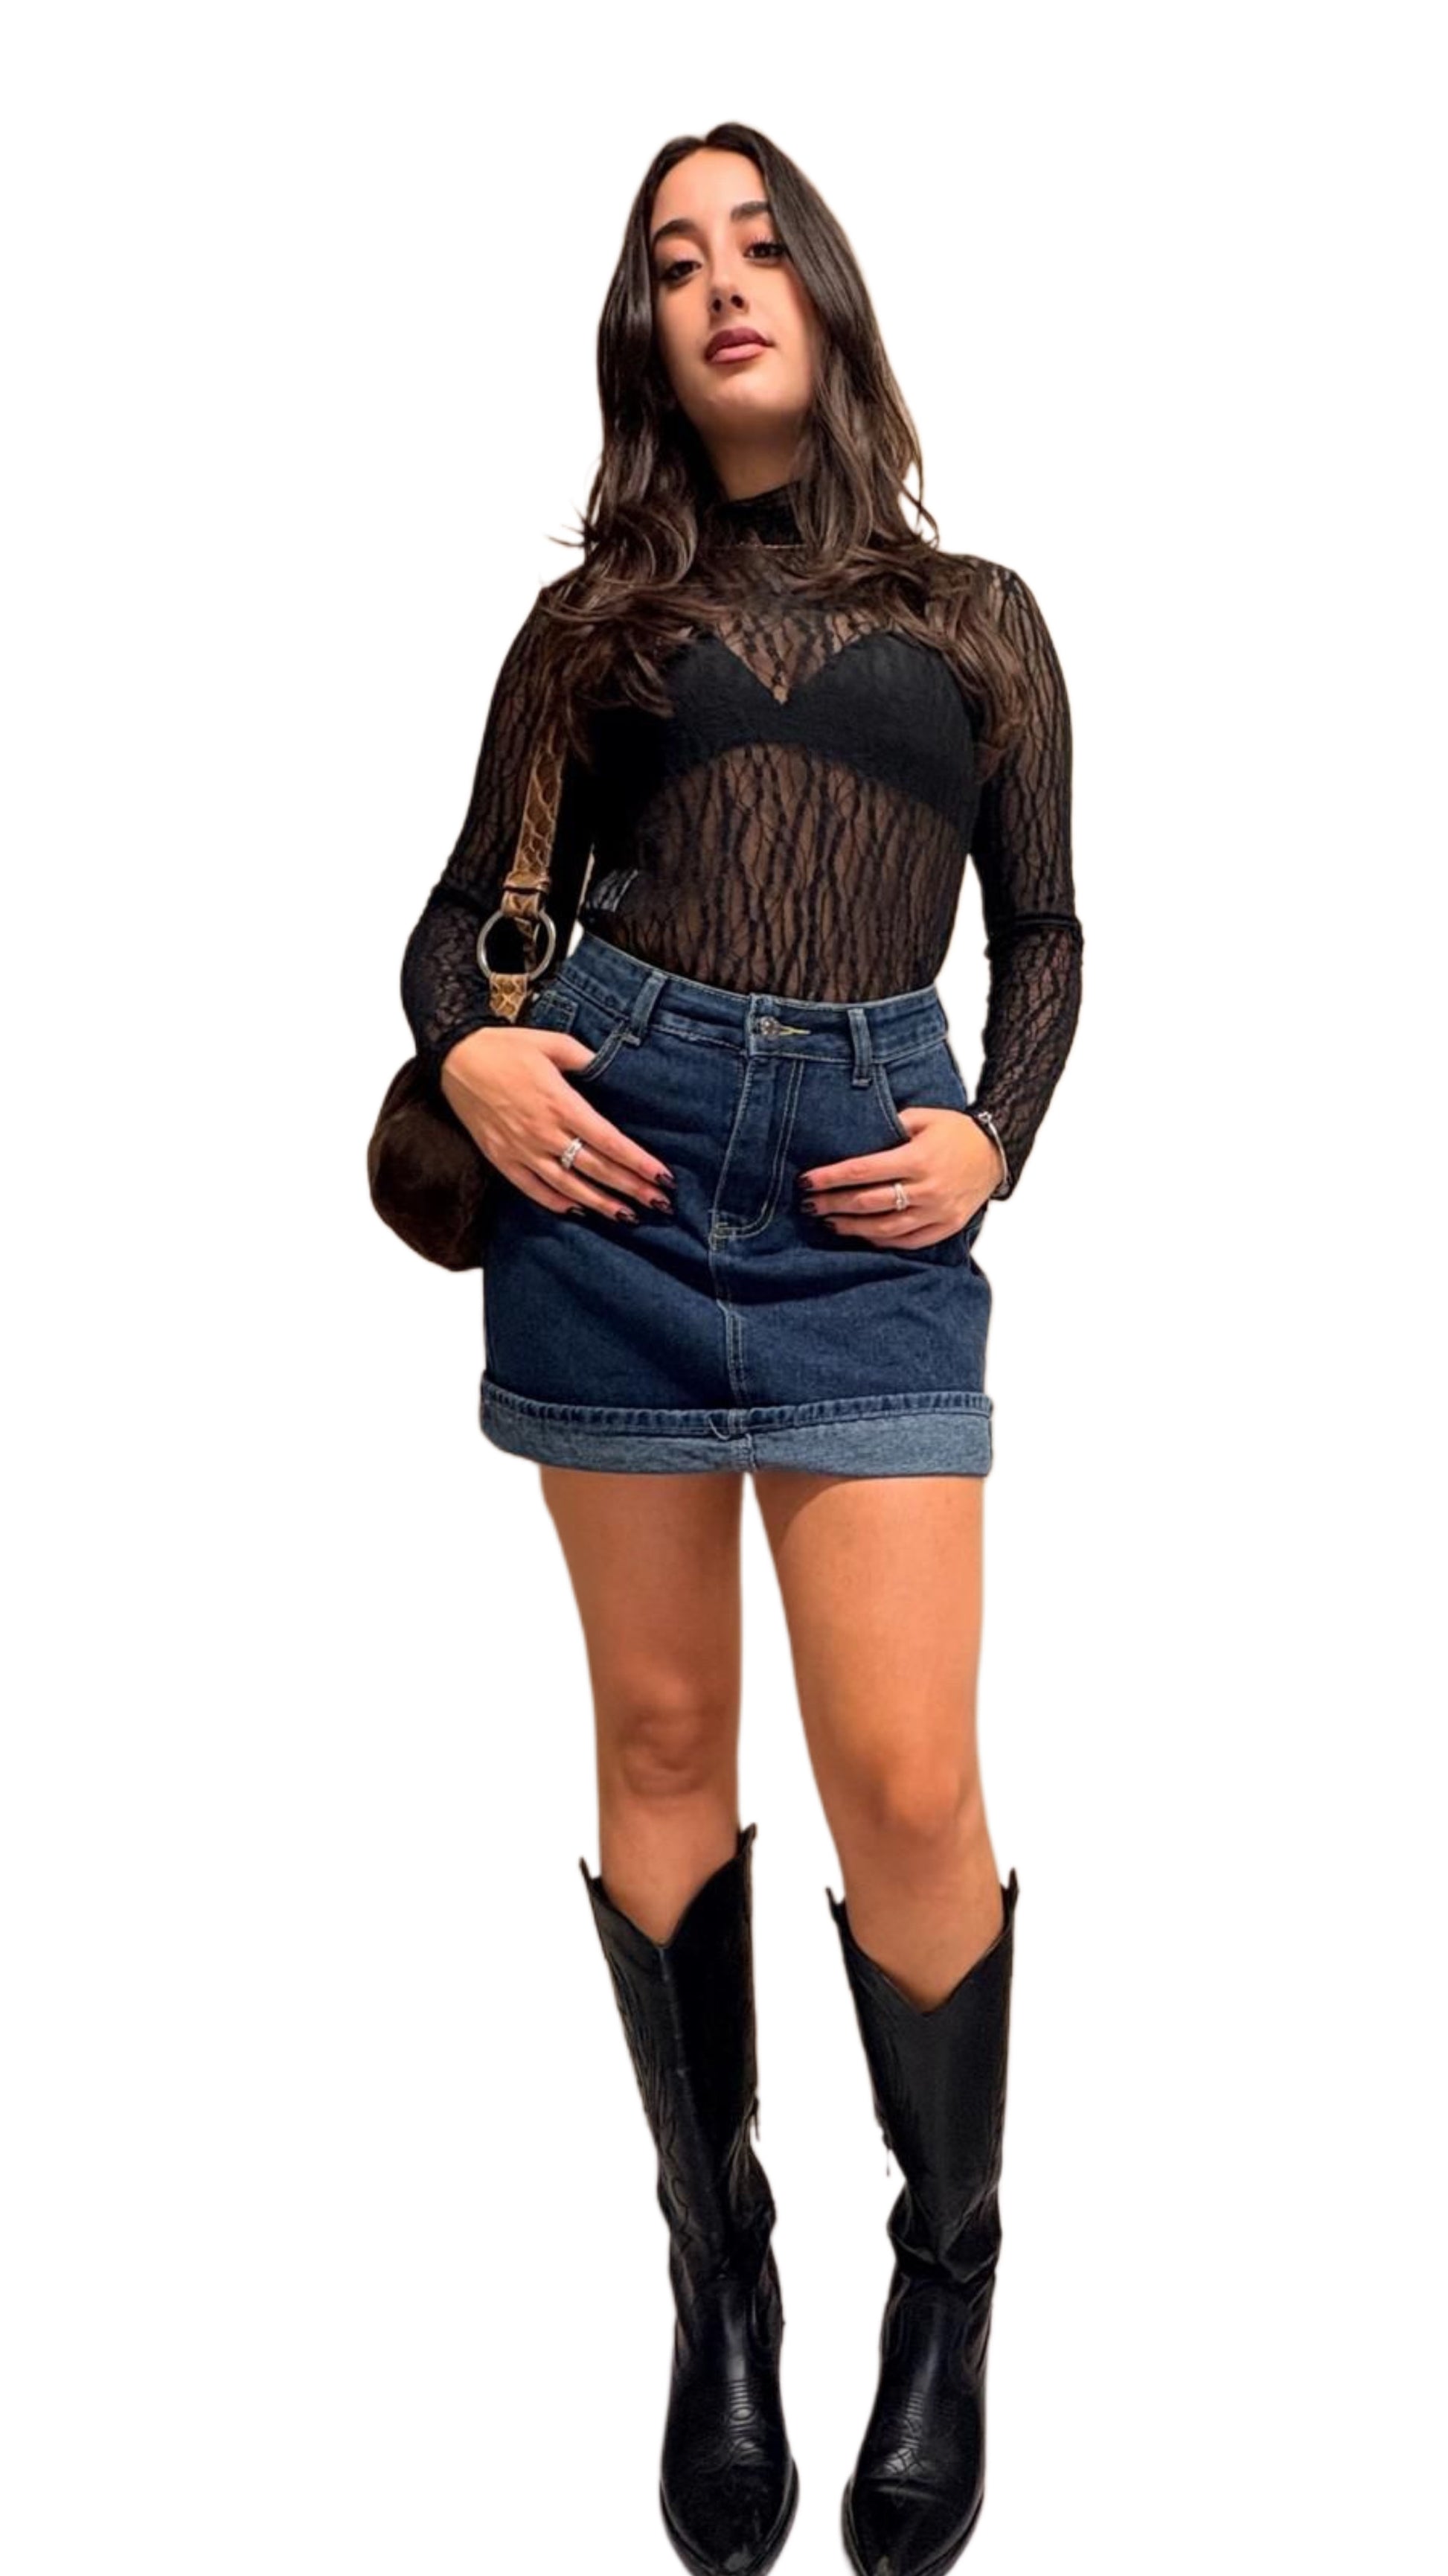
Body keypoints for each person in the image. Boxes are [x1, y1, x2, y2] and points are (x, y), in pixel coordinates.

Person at [398, 121, 1083, 2576]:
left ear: (827, 290)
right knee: (665, 1738)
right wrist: (476, 1054)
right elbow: (456, 922)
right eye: (673, 259)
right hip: (617, 1158)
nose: (720, 281)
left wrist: (992, 1137)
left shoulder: (977, 619)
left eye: (758, 241)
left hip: (862, 1193)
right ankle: (720, 2280)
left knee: (906, 1774)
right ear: (646, 335)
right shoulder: (586, 627)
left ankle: (947, 2277)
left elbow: (1041, 934)